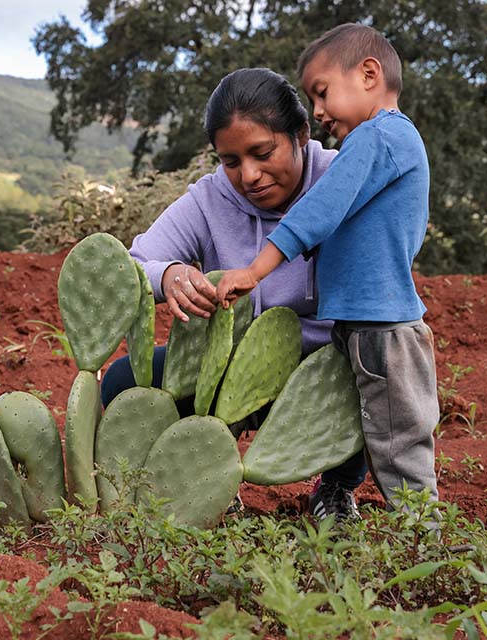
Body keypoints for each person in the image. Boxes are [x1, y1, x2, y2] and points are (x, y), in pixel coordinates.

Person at [99, 66, 368, 520]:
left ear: (301, 134)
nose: (249, 175)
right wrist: (167, 274)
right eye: (230, 161)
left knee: (371, 372)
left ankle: (337, 488)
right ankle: (210, 479)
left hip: (324, 367)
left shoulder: (342, 180)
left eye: (263, 152)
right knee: (123, 382)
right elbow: (134, 262)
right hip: (237, 369)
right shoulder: (209, 200)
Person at [216, 24, 440, 514]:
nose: (316, 112)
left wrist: (257, 270)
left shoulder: (377, 137)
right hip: (366, 323)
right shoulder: (392, 142)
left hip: (382, 330)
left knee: (397, 446)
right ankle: (364, 509)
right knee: (361, 424)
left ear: (368, 74)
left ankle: (428, 550)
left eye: (321, 93)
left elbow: (320, 209)